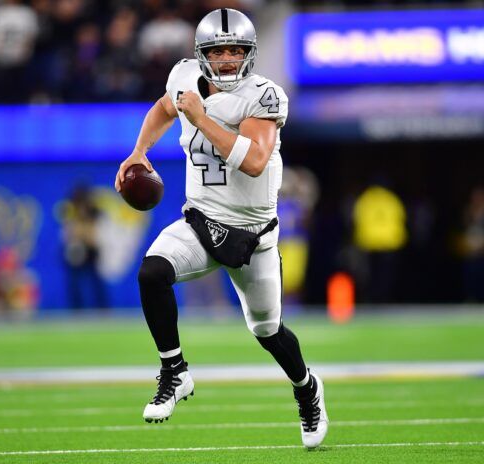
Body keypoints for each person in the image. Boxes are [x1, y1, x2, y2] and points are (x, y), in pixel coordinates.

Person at [114, 9, 328, 449]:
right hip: (200, 220)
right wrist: (138, 152)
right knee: (152, 272)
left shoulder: (265, 94)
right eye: (218, 50)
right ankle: (174, 371)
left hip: (252, 237)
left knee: (268, 332)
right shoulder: (185, 76)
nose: (227, 58)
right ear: (201, 54)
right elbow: (162, 108)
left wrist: (201, 117)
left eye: (236, 50)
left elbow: (253, 162)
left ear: (249, 54)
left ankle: (306, 387)